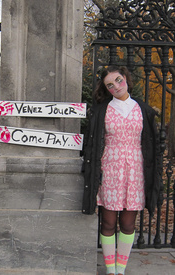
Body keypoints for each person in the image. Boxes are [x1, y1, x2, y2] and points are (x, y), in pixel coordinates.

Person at [82, 66, 162, 275]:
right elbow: (92, 143)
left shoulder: (143, 109)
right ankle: (110, 270)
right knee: (108, 221)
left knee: (128, 223)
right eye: (110, 85)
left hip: (135, 170)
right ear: (107, 89)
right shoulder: (102, 111)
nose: (116, 87)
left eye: (118, 80)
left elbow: (151, 144)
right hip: (109, 169)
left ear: (125, 79)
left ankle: (121, 269)